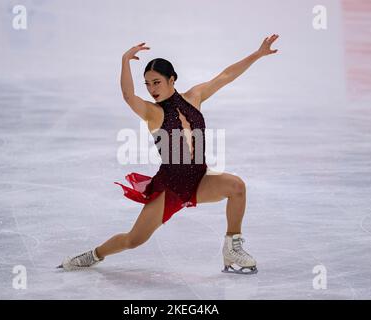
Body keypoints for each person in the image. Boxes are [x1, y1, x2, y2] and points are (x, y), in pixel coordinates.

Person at [58, 35, 279, 274]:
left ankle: (232, 248)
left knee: (236, 187)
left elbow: (225, 76)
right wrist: (124, 60)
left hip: (199, 180)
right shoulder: (153, 113)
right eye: (148, 84)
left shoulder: (194, 97)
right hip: (170, 188)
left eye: (156, 82)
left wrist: (257, 54)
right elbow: (128, 96)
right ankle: (93, 255)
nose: (152, 89)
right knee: (134, 239)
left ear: (171, 79)